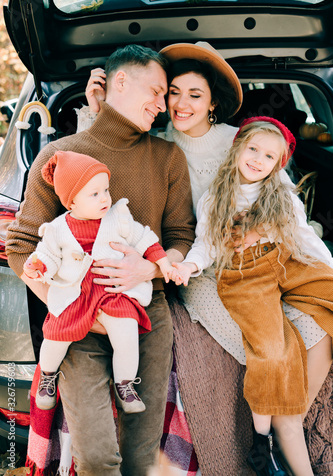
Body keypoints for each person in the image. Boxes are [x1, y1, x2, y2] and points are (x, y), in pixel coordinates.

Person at [79, 42, 332, 474]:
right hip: (199, 269)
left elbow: (284, 201)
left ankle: (288, 426)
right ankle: (271, 438)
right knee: (262, 344)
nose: (180, 104)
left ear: (213, 102)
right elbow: (103, 158)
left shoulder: (241, 143)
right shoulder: (155, 143)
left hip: (262, 260)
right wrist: (97, 110)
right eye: (172, 92)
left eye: (194, 95)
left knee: (314, 330)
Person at [5, 44, 195, 476]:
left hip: (145, 317)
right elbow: (20, 246)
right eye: (158, 91)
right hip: (76, 326)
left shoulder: (168, 157)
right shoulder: (61, 156)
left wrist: (149, 267)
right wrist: (69, 303)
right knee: (95, 457)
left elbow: (181, 235)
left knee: (139, 457)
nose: (162, 105)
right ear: (121, 81)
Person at [171, 117, 333, 476]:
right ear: (238, 148)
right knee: (272, 348)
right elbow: (205, 245)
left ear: (279, 165)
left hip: (284, 259)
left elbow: (306, 238)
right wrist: (189, 267)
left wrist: (329, 267)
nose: (258, 159)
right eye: (253, 149)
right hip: (244, 275)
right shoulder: (216, 197)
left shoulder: (281, 197)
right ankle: (263, 443)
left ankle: (284, 430)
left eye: (269, 156)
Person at [23, 150, 182, 413]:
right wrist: (37, 266)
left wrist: (163, 263)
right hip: (75, 293)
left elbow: (146, 239)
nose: (105, 198)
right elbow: (47, 255)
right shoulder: (58, 228)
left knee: (126, 334)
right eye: (94, 194)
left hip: (112, 290)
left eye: (105, 190)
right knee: (55, 336)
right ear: (71, 202)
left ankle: (126, 386)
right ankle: (47, 376)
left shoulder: (118, 218)